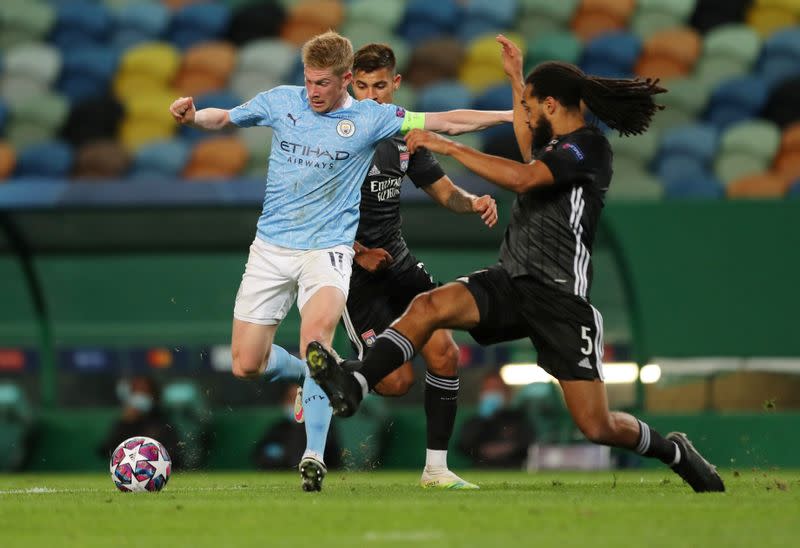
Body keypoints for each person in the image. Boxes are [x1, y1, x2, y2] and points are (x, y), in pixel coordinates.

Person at [305, 35, 725, 493]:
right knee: (428, 306)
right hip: (511, 282)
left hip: (559, 299)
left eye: (528, 105)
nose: (522, 114)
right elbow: (529, 150)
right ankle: (357, 383)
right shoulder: (554, 145)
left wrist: (449, 147)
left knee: (597, 426)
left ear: (550, 104)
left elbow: (525, 177)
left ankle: (674, 451)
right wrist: (514, 78)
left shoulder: (588, 149)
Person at [169, 31, 511, 491]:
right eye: (309, 81)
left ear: (345, 79)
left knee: (318, 341)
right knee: (246, 363)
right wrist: (193, 117)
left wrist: (510, 114)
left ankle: (313, 455)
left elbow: (446, 121)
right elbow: (225, 117)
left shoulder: (373, 120)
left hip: (327, 252)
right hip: (271, 249)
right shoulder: (281, 101)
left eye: (323, 84)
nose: (313, 91)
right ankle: (322, 374)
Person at [344, 43, 497, 489]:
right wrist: (358, 252)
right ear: (351, 84)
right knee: (394, 383)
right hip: (354, 273)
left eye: (379, 86)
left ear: (395, 84)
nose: (371, 96)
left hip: (400, 262)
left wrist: (475, 203)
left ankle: (435, 470)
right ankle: (325, 375)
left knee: (446, 352)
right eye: (361, 86)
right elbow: (314, 211)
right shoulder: (338, 134)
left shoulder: (402, 135)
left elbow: (444, 191)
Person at [456, 370, 535, 469]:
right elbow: (463, 446)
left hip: (513, 470)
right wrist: (483, 450)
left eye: (496, 389)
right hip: (480, 470)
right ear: (481, 394)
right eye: (488, 389)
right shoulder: (474, 421)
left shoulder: (518, 419)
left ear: (507, 393)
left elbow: (529, 445)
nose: (492, 393)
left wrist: (508, 448)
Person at [98, 376, 181, 468]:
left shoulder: (163, 422)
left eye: (144, 392)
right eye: (136, 392)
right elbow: (104, 450)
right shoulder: (124, 422)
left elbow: (175, 455)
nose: (139, 396)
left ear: (153, 395)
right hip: (126, 472)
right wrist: (125, 423)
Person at [253, 385, 340, 470]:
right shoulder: (278, 428)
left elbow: (334, 458)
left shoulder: (320, 427)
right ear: (284, 402)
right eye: (292, 398)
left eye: (300, 399)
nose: (296, 403)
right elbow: (258, 455)